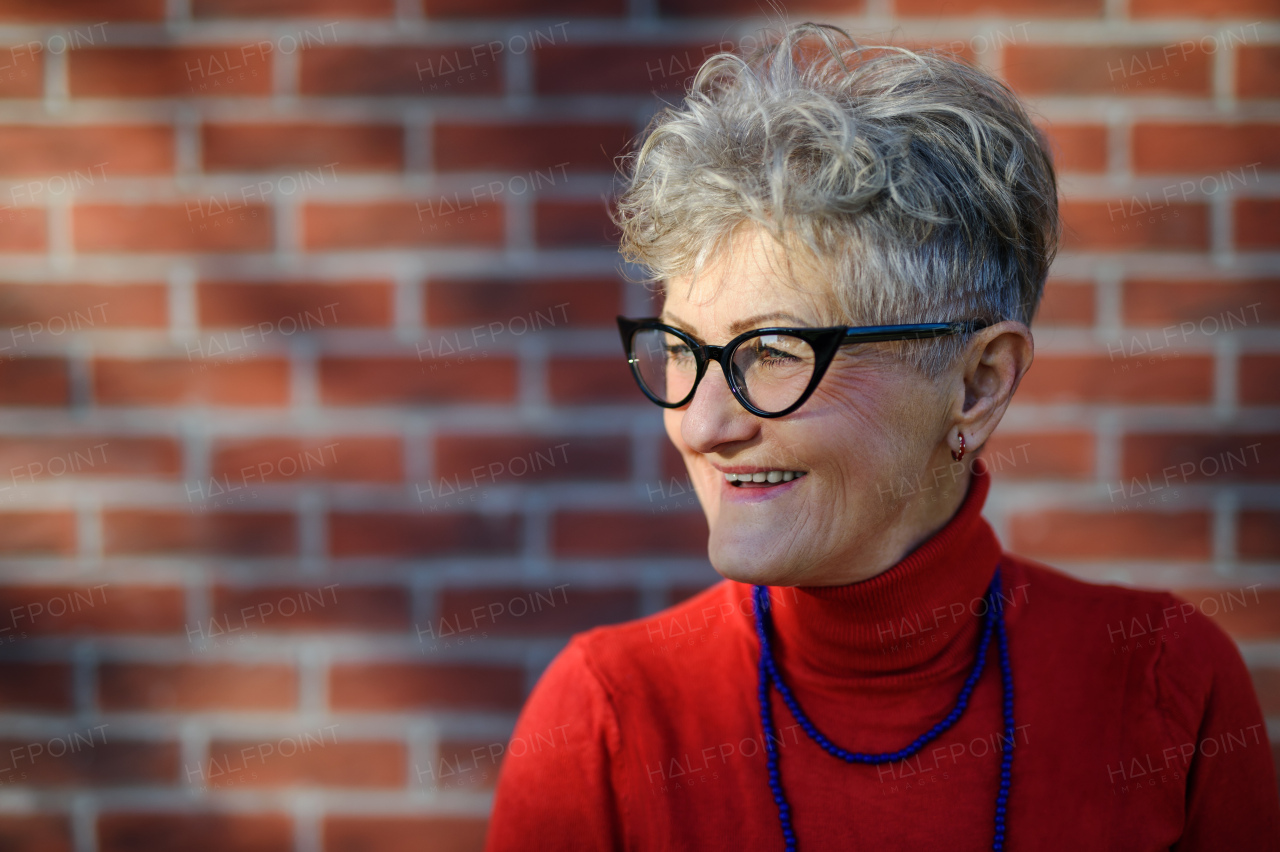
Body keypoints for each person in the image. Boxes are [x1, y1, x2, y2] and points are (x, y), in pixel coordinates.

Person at [483, 22, 1279, 851]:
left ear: (977, 385)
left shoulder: (1163, 687)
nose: (700, 424)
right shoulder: (607, 718)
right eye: (684, 350)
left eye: (774, 351)